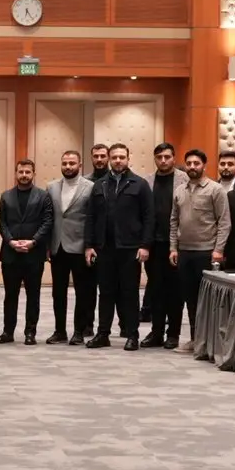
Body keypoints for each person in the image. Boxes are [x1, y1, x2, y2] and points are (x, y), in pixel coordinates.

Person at [86, 143, 151, 350]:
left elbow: (148, 217)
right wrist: (89, 245)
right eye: (114, 157)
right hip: (104, 248)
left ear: (128, 159)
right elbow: (91, 217)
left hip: (130, 249)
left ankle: (132, 335)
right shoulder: (99, 185)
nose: (118, 161)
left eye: (122, 157)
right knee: (105, 293)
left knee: (129, 293)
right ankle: (103, 334)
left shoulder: (139, 184)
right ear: (109, 159)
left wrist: (145, 245)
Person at [168, 147, 228, 346]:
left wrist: (218, 250)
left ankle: (208, 341)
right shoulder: (179, 190)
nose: (192, 167)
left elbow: (224, 222)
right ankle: (195, 340)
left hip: (207, 252)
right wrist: (173, 248)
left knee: (207, 300)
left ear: (204, 166)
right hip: (184, 252)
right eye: (189, 163)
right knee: (190, 298)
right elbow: (174, 221)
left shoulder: (215, 189)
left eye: (196, 163)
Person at [0, 158, 53, 345]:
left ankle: (30, 332)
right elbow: (1, 223)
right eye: (21, 172)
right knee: (10, 296)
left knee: (33, 296)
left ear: (33, 174)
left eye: (27, 172)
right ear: (16, 173)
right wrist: (11, 241)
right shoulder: (6, 196)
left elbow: (47, 222)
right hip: (10, 254)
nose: (24, 175)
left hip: (34, 254)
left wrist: (34, 241)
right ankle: (8, 332)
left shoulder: (43, 196)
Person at [44, 149, 94, 345]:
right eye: (65, 163)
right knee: (58, 292)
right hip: (58, 246)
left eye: (72, 163)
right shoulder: (51, 187)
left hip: (80, 247)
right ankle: (60, 331)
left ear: (80, 165)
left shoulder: (90, 187)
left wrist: (90, 245)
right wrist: (47, 245)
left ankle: (79, 332)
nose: (68, 166)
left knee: (82, 292)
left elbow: (93, 218)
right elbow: (48, 218)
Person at [138, 143, 182, 348]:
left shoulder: (184, 180)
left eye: (167, 157)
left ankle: (173, 333)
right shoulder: (146, 181)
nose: (163, 161)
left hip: (177, 245)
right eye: (159, 157)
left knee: (174, 291)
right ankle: (156, 332)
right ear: (155, 159)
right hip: (154, 243)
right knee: (155, 289)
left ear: (174, 158)